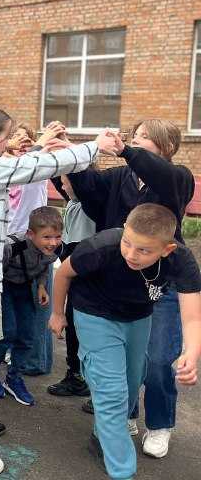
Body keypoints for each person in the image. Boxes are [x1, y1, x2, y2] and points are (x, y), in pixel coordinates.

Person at [0, 104, 116, 479]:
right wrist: (95, 145)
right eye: (4, 138)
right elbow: (40, 166)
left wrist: (41, 146)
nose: (5, 146)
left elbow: (24, 163)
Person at [67, 119, 196, 458]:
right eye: (133, 135)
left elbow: (159, 173)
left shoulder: (177, 176)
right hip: (118, 280)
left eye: (143, 137)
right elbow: (89, 190)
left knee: (159, 358)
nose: (134, 140)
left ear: (166, 146)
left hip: (159, 280)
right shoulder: (120, 176)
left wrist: (125, 151)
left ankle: (160, 423)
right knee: (126, 360)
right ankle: (125, 415)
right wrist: (69, 153)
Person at [49, 204, 201, 480]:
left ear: (166, 249)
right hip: (95, 313)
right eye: (127, 243)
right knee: (112, 391)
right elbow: (63, 273)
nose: (131, 254)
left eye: (143, 250)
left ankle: (102, 435)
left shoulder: (181, 260)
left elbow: (192, 317)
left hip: (138, 317)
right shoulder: (101, 246)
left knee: (132, 382)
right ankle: (122, 471)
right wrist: (58, 313)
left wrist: (191, 352)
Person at [0, 207, 63, 406]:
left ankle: (14, 376)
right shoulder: (12, 246)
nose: (53, 242)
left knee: (28, 335)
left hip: (26, 287)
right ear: (31, 234)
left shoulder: (53, 249)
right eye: (47, 237)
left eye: (57, 237)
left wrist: (42, 286)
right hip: (4, 287)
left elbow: (45, 264)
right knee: (7, 331)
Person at [47, 174, 95, 398]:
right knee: (73, 327)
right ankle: (75, 374)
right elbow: (61, 180)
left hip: (84, 279)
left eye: (66, 182)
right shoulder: (74, 202)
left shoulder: (89, 206)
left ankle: (85, 379)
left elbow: (74, 251)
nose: (62, 187)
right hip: (74, 278)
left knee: (82, 329)